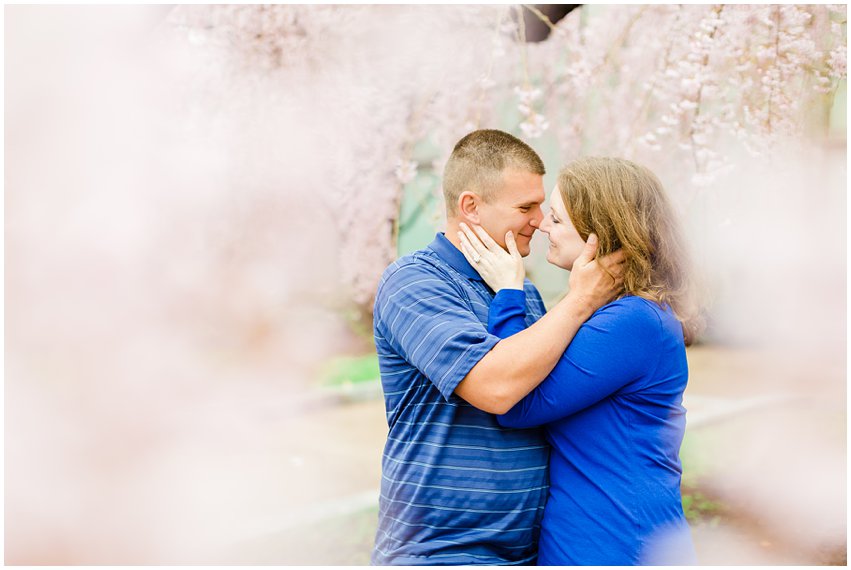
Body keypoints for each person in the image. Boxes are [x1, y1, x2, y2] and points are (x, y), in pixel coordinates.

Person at [370, 130, 625, 565]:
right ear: (470, 206)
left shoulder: (522, 292)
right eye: (526, 207)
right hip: (441, 551)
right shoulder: (414, 282)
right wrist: (582, 299)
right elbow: (495, 389)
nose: (541, 221)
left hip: (527, 553)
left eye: (542, 206)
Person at [457, 156, 702, 565]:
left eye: (555, 218)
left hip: (617, 538)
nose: (542, 226)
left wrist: (508, 294)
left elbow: (516, 403)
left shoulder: (632, 321)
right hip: (598, 532)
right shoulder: (621, 314)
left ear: (598, 234)